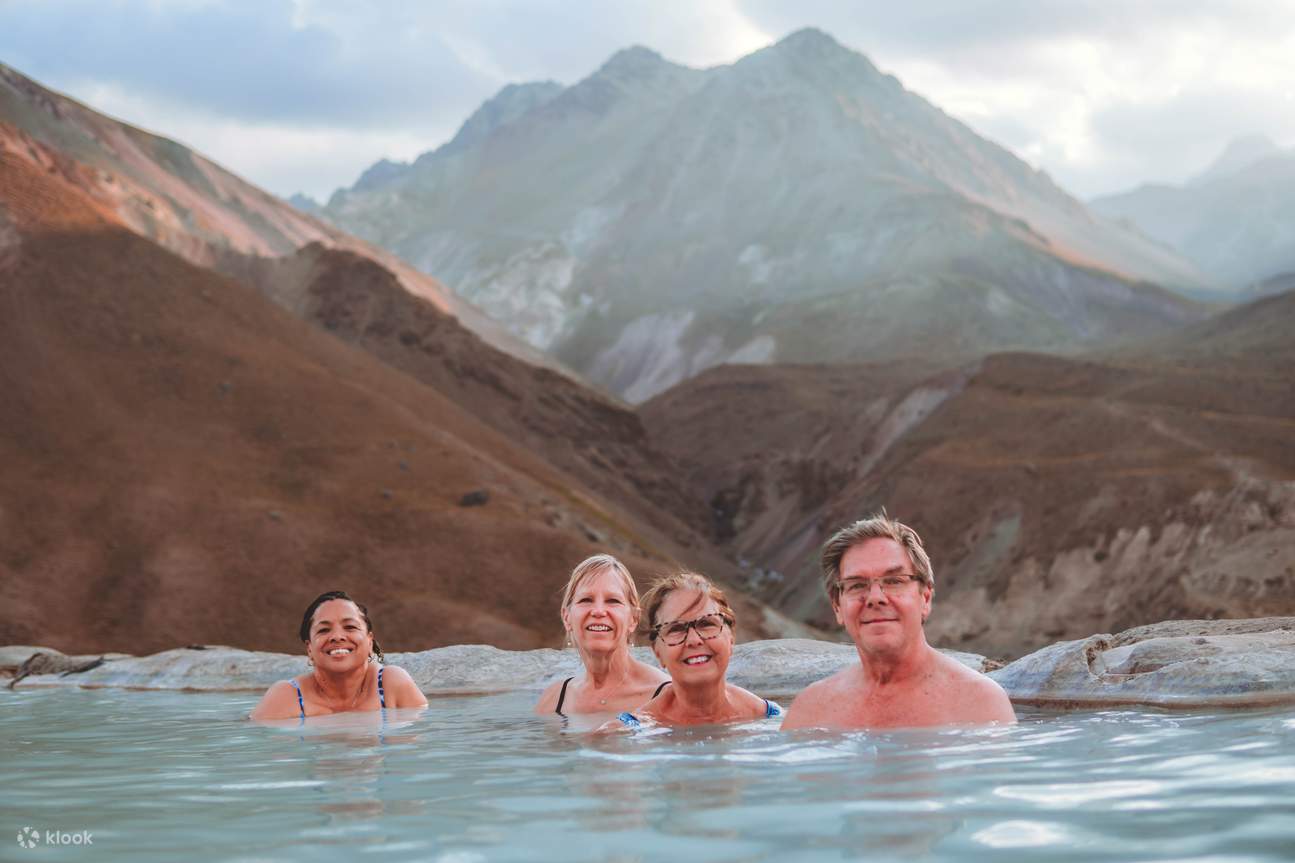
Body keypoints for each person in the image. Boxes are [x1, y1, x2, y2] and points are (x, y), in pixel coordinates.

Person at [782, 515, 1015, 730]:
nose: (875, 598)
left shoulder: (979, 704)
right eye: (857, 585)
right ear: (837, 606)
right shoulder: (812, 710)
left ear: (925, 598)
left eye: (894, 581)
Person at [611, 572, 781, 728]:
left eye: (706, 624)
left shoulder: (771, 718)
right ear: (657, 652)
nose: (693, 640)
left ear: (731, 638)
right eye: (675, 629)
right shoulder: (626, 733)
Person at [250, 590, 427, 721]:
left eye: (350, 627)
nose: (337, 636)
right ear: (309, 648)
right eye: (324, 630)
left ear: (370, 641)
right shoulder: (287, 696)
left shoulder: (391, 684)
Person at [535, 554, 669, 717]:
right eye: (586, 600)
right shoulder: (554, 701)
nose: (598, 611)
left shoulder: (666, 695)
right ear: (566, 617)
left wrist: (629, 724)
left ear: (633, 619)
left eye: (613, 600)